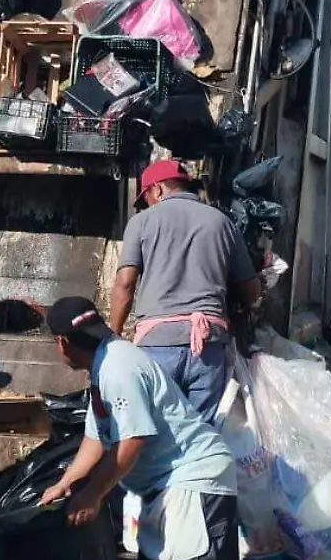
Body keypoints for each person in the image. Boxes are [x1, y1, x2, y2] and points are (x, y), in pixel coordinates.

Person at [38, 296, 243, 560]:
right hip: (166, 484)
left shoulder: (118, 369)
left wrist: (93, 494)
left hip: (194, 478)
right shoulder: (105, 365)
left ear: (61, 343)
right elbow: (98, 439)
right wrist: (64, 483)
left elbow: (133, 441)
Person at [109, 159, 261, 425]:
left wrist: (113, 337)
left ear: (156, 190)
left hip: (157, 345)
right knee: (196, 437)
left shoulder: (142, 222)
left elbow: (125, 283)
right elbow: (250, 289)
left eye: (146, 199)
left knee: (149, 434)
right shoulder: (223, 222)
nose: (147, 205)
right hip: (209, 349)